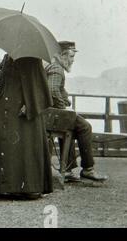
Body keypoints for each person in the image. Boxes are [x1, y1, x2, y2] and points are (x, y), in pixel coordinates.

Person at [0, 54, 54, 200]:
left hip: (22, 109)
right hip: (4, 105)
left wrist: (30, 105)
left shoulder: (33, 59)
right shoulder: (7, 57)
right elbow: (0, 77)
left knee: (24, 149)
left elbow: (40, 87)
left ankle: (29, 188)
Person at [45, 41, 108, 182]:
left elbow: (57, 89)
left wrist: (65, 98)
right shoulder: (57, 68)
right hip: (53, 113)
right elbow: (52, 90)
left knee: (72, 128)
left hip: (48, 113)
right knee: (85, 127)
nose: (73, 61)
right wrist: (63, 107)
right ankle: (88, 169)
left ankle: (68, 169)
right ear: (62, 55)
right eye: (71, 57)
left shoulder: (52, 65)